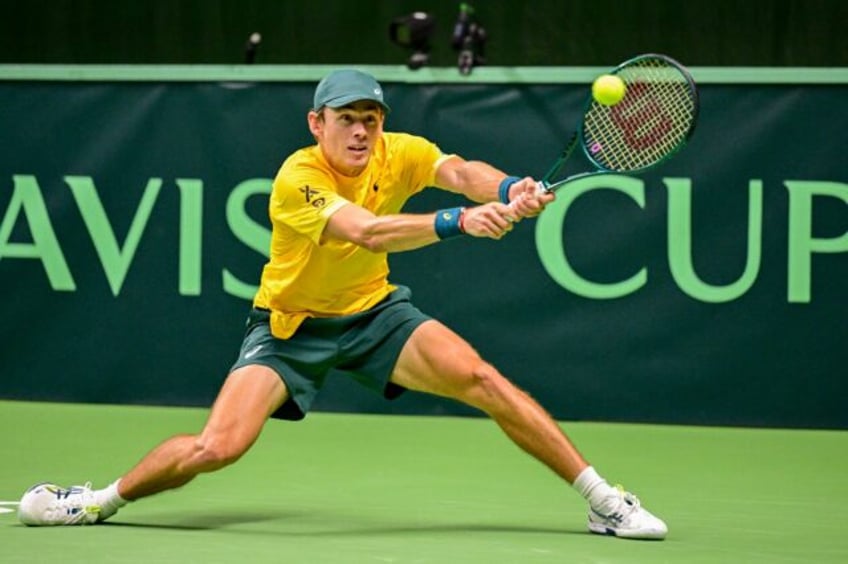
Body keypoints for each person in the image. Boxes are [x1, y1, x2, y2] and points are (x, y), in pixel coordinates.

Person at [18, 69, 667, 540]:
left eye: (371, 119)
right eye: (347, 119)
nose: (360, 131)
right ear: (317, 123)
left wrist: (507, 186)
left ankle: (602, 500)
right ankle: (96, 501)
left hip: (376, 314)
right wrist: (459, 224)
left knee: (482, 379)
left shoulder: (397, 151)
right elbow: (366, 231)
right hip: (289, 329)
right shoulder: (298, 179)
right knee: (216, 447)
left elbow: (459, 169)